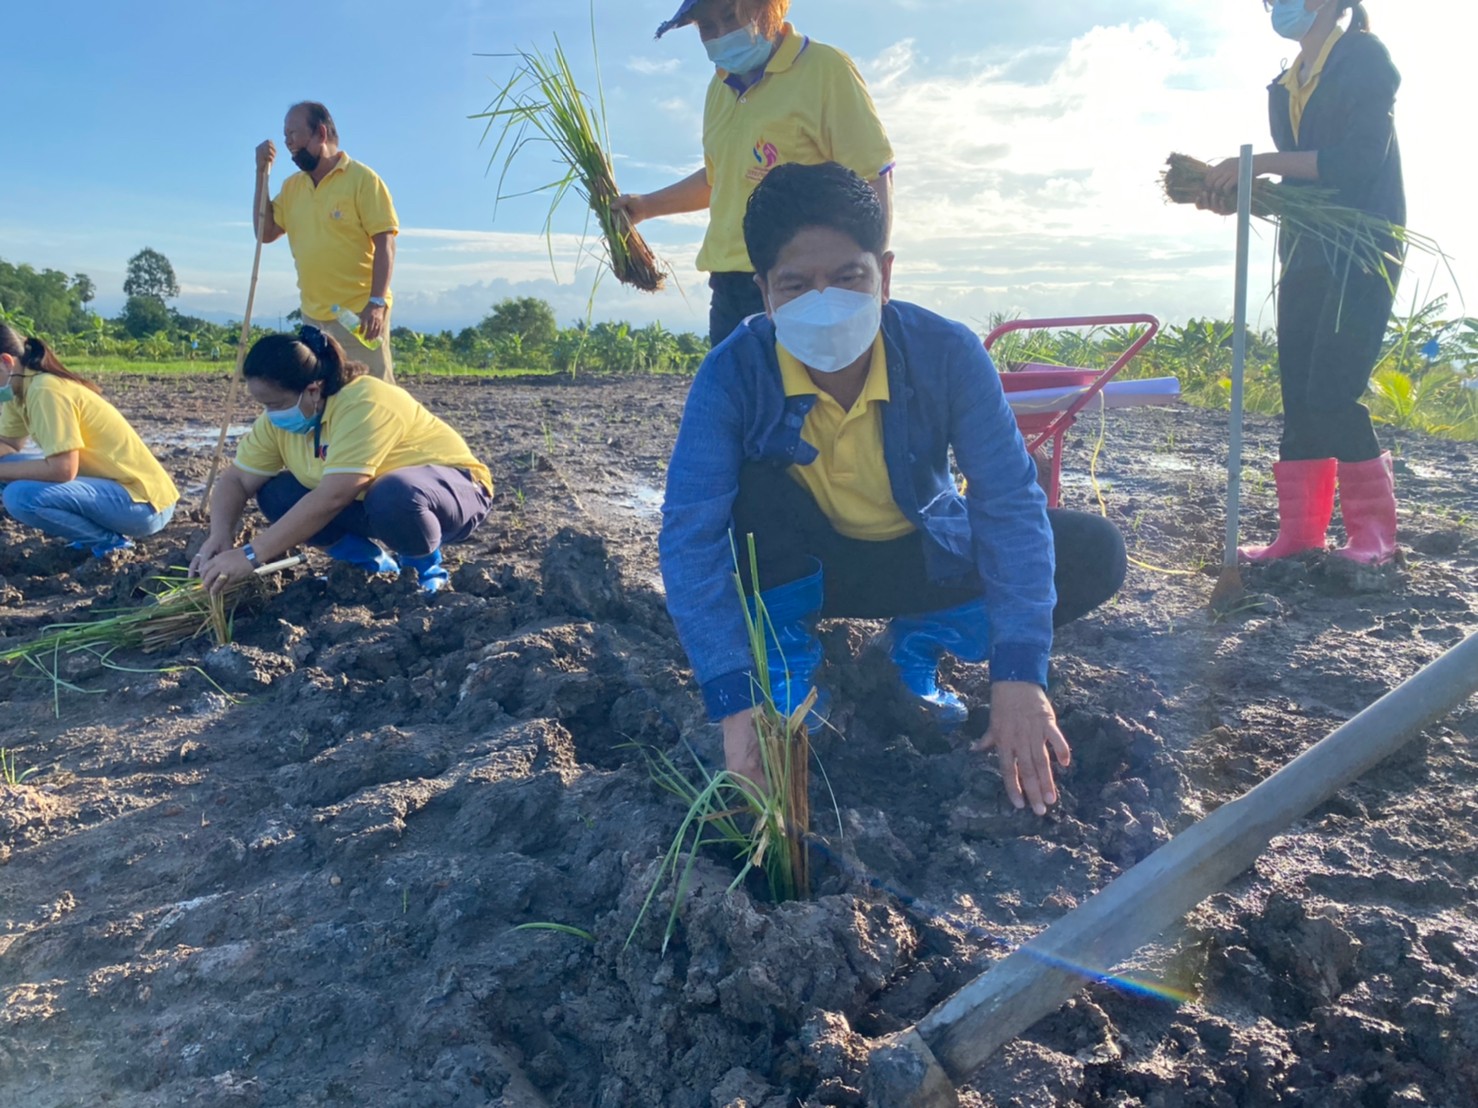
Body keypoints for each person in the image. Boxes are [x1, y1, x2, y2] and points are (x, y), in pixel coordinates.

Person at [659, 163, 1126, 816]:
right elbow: (689, 536)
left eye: (849, 277)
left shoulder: (947, 353)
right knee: (747, 496)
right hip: (805, 566)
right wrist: (737, 709)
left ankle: (918, 642)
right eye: (796, 285)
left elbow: (1011, 505)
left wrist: (1019, 676)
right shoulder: (734, 373)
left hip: (921, 553)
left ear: (885, 273)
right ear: (763, 292)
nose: (825, 302)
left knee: (1093, 550)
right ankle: (786, 671)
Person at [1200, 0, 1403, 565]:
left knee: (1332, 389)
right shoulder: (1284, 84)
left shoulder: (1364, 58)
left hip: (1363, 247)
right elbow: (1302, 184)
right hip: (1308, 248)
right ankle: (1301, 537)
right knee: (1298, 392)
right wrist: (1243, 192)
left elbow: (1359, 161)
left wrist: (1261, 162)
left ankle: (1375, 538)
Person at [615, 0, 895, 346]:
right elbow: (718, 178)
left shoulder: (825, 69)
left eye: (731, 16)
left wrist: (871, 277)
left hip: (803, 284)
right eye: (707, 28)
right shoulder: (718, 91)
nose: (721, 34)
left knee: (803, 397)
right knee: (735, 397)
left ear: (767, 8)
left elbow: (872, 174)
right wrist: (646, 206)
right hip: (728, 287)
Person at [192, 328, 492, 595]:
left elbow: (336, 495)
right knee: (276, 493)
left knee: (393, 492)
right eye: (263, 405)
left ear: (313, 389)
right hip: (371, 506)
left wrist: (250, 555)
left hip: (452, 496)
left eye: (275, 403)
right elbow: (236, 480)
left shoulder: (364, 402)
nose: (270, 414)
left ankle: (422, 571)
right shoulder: (279, 421)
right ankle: (368, 567)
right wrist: (220, 534)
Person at [0, 325, 178, 557]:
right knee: (9, 473)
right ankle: (89, 536)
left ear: (6, 362)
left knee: (19, 496)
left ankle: (111, 543)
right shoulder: (19, 390)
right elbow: (9, 445)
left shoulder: (45, 390)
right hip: (108, 491)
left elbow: (63, 469)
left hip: (143, 504)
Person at [255, 101, 400, 383]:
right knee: (322, 395)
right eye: (285, 137)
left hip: (359, 315)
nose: (288, 144)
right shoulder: (293, 187)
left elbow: (385, 243)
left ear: (320, 133)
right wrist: (262, 175)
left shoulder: (362, 180)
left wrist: (376, 303)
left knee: (372, 392)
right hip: (314, 317)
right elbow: (266, 232)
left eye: (294, 135)